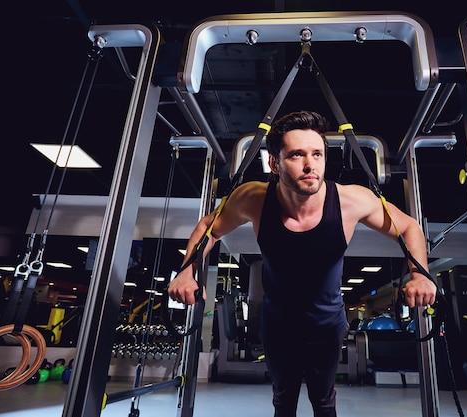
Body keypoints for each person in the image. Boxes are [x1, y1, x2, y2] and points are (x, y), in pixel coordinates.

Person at [168, 110, 436, 417]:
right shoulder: (253, 198)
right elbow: (208, 227)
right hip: (277, 323)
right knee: (283, 399)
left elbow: (408, 227)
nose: (310, 165)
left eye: (317, 154)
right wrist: (187, 271)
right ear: (274, 163)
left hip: (327, 324)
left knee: (324, 399)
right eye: (296, 155)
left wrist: (420, 274)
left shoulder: (352, 200)